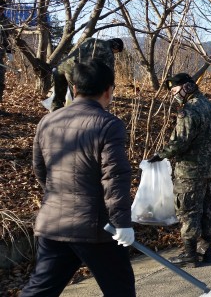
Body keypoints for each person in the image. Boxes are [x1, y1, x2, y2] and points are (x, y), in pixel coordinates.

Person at [21, 60, 135, 297]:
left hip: (53, 222)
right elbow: (114, 177)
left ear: (74, 88)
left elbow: (40, 170)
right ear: (109, 90)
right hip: (96, 228)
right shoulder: (108, 124)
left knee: (39, 290)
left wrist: (59, 198)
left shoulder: (49, 120)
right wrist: (122, 222)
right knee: (120, 290)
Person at [148, 73, 211, 268]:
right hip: (210, 168)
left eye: (175, 90)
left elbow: (180, 142)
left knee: (187, 210)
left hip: (190, 170)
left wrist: (160, 155)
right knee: (207, 208)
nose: (174, 95)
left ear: (187, 87)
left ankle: (190, 254)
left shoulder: (189, 110)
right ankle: (206, 250)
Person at [51, 37, 124, 111]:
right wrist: (110, 88)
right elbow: (109, 73)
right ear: (115, 46)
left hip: (60, 66)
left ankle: (53, 117)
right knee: (79, 99)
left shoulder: (91, 40)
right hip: (74, 70)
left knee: (58, 98)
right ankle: (77, 118)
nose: (115, 53)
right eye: (116, 51)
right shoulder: (108, 51)